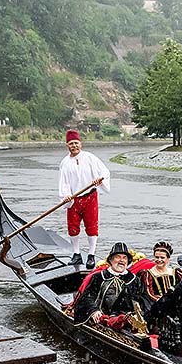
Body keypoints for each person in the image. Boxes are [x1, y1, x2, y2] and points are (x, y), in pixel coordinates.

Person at [59, 129, 110, 270]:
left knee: (91, 226)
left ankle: (91, 255)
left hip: (90, 197)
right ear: (67, 145)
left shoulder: (90, 158)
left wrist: (100, 179)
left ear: (80, 144)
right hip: (74, 199)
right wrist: (66, 196)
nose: (74, 146)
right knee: (73, 227)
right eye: (71, 144)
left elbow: (105, 172)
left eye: (76, 143)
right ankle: (76, 254)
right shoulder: (65, 163)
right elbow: (64, 183)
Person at [74, 242, 147, 330]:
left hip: (126, 320)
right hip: (100, 317)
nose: (121, 260)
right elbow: (87, 297)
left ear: (128, 261)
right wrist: (94, 311)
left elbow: (140, 302)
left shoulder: (135, 280)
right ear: (111, 260)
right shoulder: (99, 277)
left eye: (124, 258)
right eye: (118, 257)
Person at [140, 241, 179, 306]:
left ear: (168, 258)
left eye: (162, 257)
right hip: (155, 306)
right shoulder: (147, 274)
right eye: (157, 257)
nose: (159, 260)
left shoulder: (175, 273)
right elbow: (149, 294)